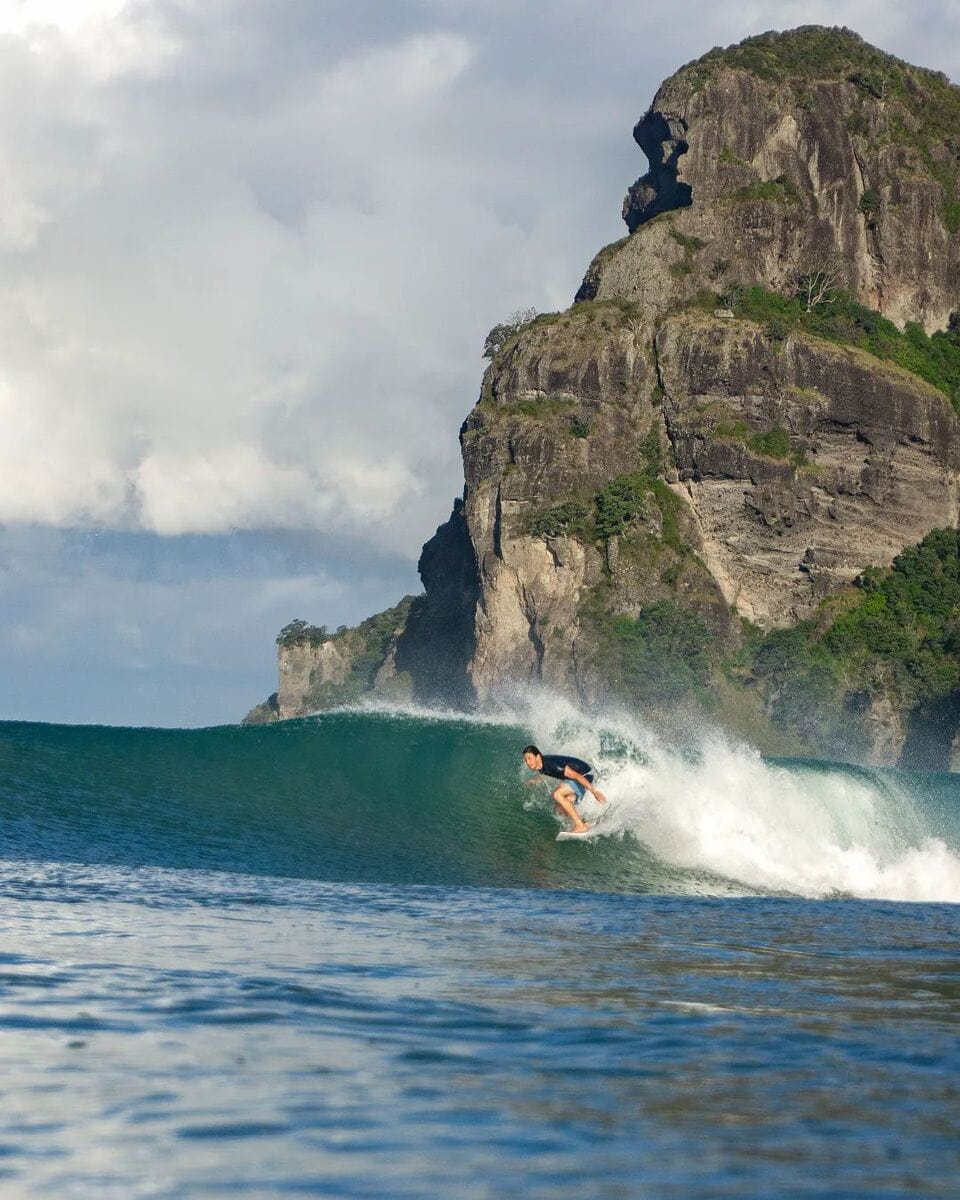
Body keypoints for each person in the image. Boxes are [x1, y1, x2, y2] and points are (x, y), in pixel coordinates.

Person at [522, 744, 606, 834]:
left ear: (538, 756)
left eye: (529, 758)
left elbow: (576, 776)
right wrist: (534, 780)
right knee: (559, 808)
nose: (528, 762)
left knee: (557, 794)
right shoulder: (540, 764)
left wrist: (594, 792)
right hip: (573, 778)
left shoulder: (554, 765)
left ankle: (580, 825)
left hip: (584, 775)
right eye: (525, 760)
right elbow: (547, 772)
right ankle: (582, 821)